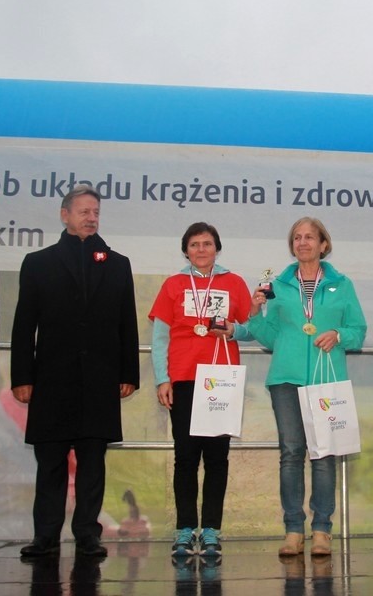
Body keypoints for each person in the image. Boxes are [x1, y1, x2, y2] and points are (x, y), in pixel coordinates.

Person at [11, 185, 139, 558]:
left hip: (99, 379)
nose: (91, 217)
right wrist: (22, 377)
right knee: (50, 462)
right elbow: (24, 325)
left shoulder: (117, 263)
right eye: (83, 211)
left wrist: (128, 373)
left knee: (92, 462)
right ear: (64, 215)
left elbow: (127, 324)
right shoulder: (38, 262)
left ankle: (87, 534)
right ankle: (45, 536)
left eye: (95, 212)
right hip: (52, 379)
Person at [244, 217, 367, 557]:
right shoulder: (278, 285)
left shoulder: (341, 284)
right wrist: (254, 313)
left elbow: (358, 330)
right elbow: (272, 337)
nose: (303, 243)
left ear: (323, 244)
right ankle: (293, 530)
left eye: (309, 237)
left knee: (324, 455)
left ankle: (322, 529)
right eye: (297, 238)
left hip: (327, 381)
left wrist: (339, 335)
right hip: (285, 379)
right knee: (291, 454)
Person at [148, 222, 252, 558]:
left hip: (221, 380)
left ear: (217, 248)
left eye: (207, 243)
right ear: (186, 251)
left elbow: (253, 328)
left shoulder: (234, 282)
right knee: (186, 458)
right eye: (194, 244)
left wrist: (234, 330)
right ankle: (184, 530)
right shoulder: (173, 285)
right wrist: (162, 379)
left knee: (217, 458)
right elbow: (159, 338)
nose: (201, 249)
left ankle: (211, 531)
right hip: (183, 379)